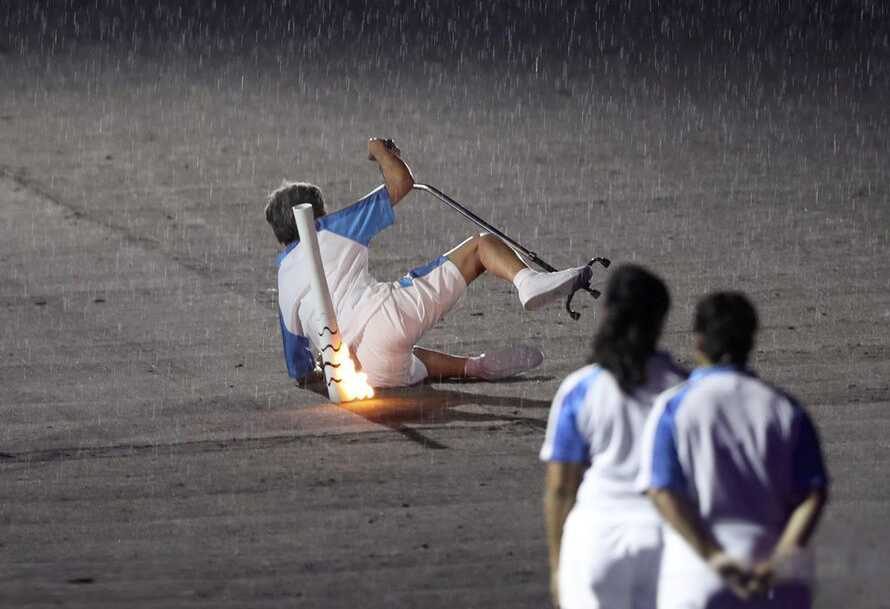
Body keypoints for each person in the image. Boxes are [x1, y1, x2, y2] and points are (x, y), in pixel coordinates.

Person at [265, 137, 592, 388]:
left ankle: (472, 367)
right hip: (386, 317)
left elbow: (300, 370)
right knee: (479, 247)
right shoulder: (331, 228)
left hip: (363, 371)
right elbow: (401, 182)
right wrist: (379, 149)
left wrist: (327, 371)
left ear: (281, 236)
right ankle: (527, 282)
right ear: (318, 214)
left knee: (399, 351)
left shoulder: (283, 279)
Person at [639, 292, 828, 608]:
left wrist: (715, 559)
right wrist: (778, 561)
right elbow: (812, 495)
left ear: (697, 342)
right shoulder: (784, 408)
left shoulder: (674, 406)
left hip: (695, 574)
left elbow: (662, 492)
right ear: (751, 341)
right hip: (774, 577)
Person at [541, 264, 688, 609]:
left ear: (607, 313)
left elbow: (561, 489)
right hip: (665, 540)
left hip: (595, 541)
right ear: (661, 318)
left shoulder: (580, 389)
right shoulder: (686, 390)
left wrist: (557, 567)